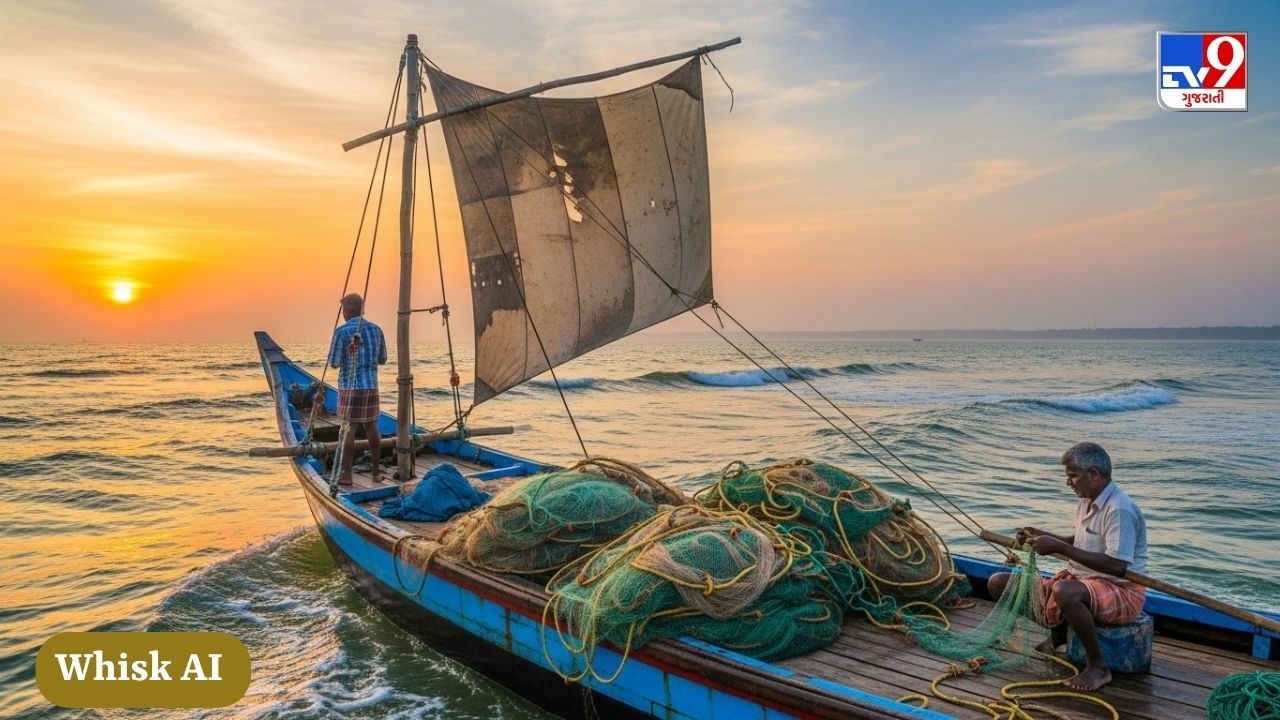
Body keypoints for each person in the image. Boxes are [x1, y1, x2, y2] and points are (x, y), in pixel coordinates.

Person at [987, 442, 1148, 692]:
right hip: (1082, 582)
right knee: (998, 582)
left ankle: (1098, 667)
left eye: (1073, 476)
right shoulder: (1087, 500)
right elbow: (1080, 541)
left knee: (1065, 590)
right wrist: (1039, 535)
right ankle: (1059, 635)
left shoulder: (1119, 508)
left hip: (1121, 591)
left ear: (1094, 474)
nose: (1068, 482)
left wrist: (1059, 548)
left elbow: (1116, 565)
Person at [327, 293, 388, 485]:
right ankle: (376, 473)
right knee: (372, 426)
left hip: (350, 387)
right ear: (362, 309)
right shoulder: (376, 330)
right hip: (371, 385)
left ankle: (347, 475)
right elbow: (382, 359)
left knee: (349, 428)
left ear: (345, 312)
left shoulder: (341, 332)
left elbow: (334, 362)